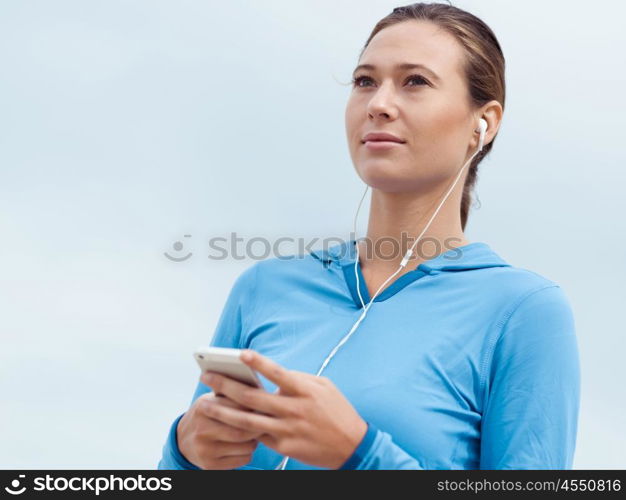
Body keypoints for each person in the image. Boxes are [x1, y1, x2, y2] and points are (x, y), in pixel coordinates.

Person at [158, 2, 580, 470]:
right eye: (364, 81)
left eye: (415, 81)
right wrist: (183, 452)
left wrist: (361, 455)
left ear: (485, 122)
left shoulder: (522, 312)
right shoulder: (263, 288)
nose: (379, 104)